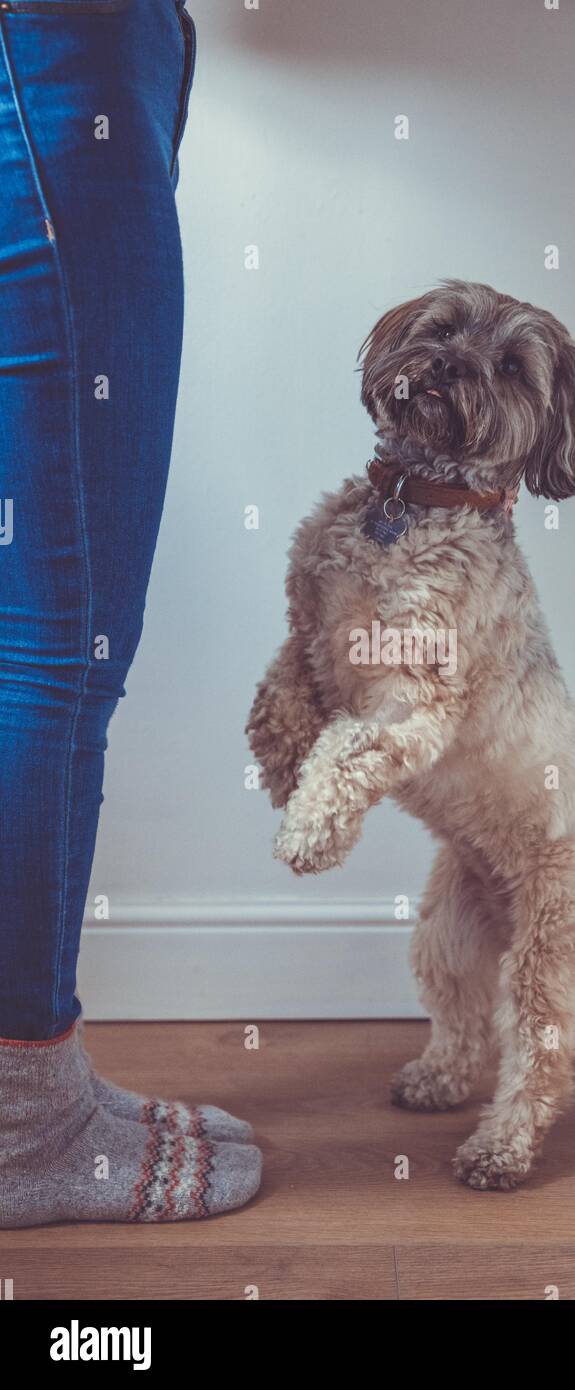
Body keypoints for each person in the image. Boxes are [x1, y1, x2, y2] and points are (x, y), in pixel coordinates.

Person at [0, 0, 261, 1227]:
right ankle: (23, 1124)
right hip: (55, 57)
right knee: (58, 647)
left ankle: (29, 1090)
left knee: (52, 640)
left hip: (69, 64)